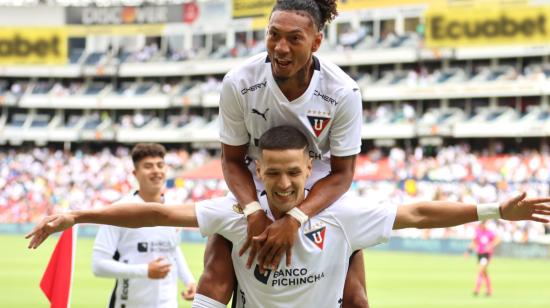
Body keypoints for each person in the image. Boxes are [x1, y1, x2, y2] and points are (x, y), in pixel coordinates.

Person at [27, 126, 550, 308]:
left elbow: (415, 212)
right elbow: (157, 211)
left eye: (293, 174)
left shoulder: (341, 212)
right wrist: (76, 213)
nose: (282, 185)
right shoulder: (237, 213)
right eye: (272, 174)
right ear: (258, 169)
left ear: (308, 169)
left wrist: (494, 209)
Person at [204, 0, 367, 306]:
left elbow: (343, 174)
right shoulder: (238, 83)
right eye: (273, 35)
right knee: (215, 273)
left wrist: (295, 218)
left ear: (317, 41)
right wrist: (253, 211)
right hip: (255, 187)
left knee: (356, 299)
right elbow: (232, 160)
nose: (280, 48)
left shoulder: (343, 91)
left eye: (294, 38)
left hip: (319, 195)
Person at [91, 143, 196, 307]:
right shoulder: (118, 211)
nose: (156, 171)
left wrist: (189, 281)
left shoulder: (174, 208)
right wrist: (145, 271)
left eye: (160, 165)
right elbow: (98, 265)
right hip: (128, 303)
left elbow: (172, 249)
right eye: (148, 166)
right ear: (135, 173)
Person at [465, 221, 500, 297]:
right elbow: (474, 242)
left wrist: (491, 245)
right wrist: (469, 251)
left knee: (481, 270)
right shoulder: (478, 232)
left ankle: (476, 289)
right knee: (484, 272)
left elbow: (497, 240)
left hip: (486, 254)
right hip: (479, 254)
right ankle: (489, 290)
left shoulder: (489, 232)